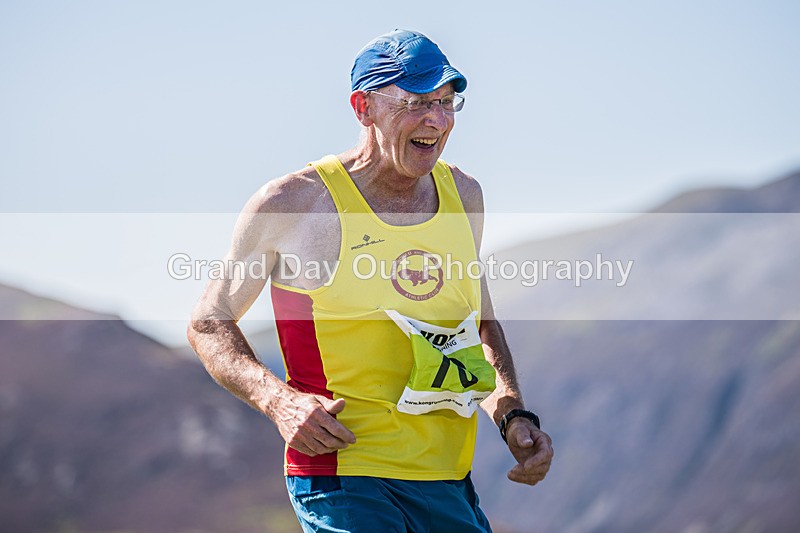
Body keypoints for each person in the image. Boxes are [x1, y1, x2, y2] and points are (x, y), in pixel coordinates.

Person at [187, 29, 553, 532]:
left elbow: (478, 327)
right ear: (364, 108)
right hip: (344, 474)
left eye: (447, 102)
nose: (437, 119)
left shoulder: (463, 195)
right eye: (416, 102)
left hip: (445, 476)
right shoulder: (296, 204)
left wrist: (512, 415)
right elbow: (209, 323)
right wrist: (279, 401)